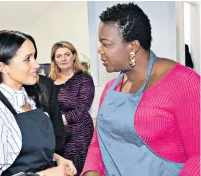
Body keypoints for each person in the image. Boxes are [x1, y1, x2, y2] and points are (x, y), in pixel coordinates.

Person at [82, 3, 200, 176]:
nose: (99, 50)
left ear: (133, 47)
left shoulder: (185, 84)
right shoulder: (110, 90)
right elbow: (98, 144)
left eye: (105, 44)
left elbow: (198, 157)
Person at [0, 30, 76, 176]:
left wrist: (58, 159)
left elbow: (30, 150)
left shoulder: (31, 97)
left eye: (34, 57)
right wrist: (45, 174)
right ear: (3, 67)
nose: (36, 64)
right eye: (28, 59)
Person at [49, 41, 95, 175]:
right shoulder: (49, 81)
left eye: (67, 54)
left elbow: (81, 109)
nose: (63, 59)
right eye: (58, 56)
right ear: (54, 60)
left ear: (74, 56)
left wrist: (56, 122)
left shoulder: (84, 79)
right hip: (56, 136)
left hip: (78, 136)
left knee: (76, 170)